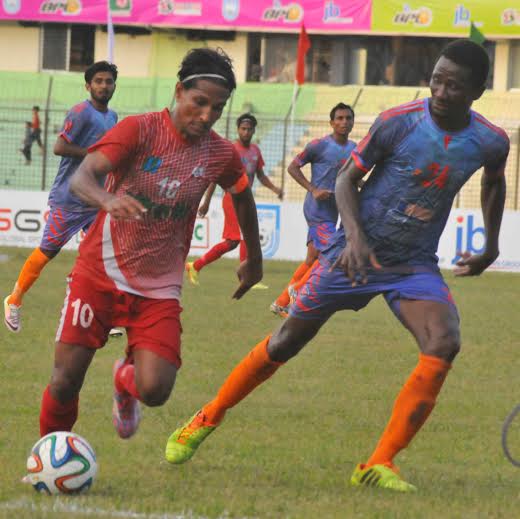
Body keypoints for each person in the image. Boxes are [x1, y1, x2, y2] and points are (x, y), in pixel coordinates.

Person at [164, 40, 509, 492]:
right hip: (352, 256)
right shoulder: (397, 123)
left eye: (454, 85)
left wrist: (491, 245)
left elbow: (494, 184)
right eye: (437, 80)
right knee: (284, 343)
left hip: (412, 264)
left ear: (478, 91)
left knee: (444, 342)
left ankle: (379, 462)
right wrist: (357, 236)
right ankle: (207, 417)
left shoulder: (490, 140)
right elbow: (348, 178)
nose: (441, 91)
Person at [34, 48, 262, 443]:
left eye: (218, 108)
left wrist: (253, 257)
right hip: (98, 274)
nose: (207, 115)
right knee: (65, 381)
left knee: (156, 389)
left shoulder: (220, 153)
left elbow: (242, 194)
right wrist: (107, 200)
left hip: (158, 289)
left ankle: (125, 381)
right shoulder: (138, 131)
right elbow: (83, 178)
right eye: (199, 102)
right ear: (179, 92)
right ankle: (46, 457)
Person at [4, 61, 118, 333]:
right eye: (99, 81)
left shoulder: (112, 117)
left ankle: (98, 310)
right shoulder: (81, 112)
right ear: (88, 85)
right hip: (70, 197)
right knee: (48, 251)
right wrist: (94, 155)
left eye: (109, 81)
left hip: (95, 199)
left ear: (114, 86)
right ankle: (14, 300)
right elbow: (59, 147)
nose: (104, 85)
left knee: (105, 253)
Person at [270, 103, 356, 318]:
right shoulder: (319, 145)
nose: (344, 122)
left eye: (348, 118)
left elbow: (350, 177)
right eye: (340, 118)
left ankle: (281, 303)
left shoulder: (355, 148)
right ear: (332, 122)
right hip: (316, 210)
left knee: (313, 258)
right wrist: (313, 189)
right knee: (332, 252)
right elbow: (292, 167)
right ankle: (297, 291)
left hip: (333, 211)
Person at [185, 113, 282, 287]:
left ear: (253, 130)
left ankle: (195, 265)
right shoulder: (231, 149)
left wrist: (275, 189)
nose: (246, 132)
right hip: (232, 197)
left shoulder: (255, 151)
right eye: (243, 129)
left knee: (232, 242)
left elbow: (260, 175)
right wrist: (206, 202)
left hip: (246, 198)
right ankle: (246, 278)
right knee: (245, 236)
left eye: (249, 129)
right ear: (238, 130)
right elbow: (215, 176)